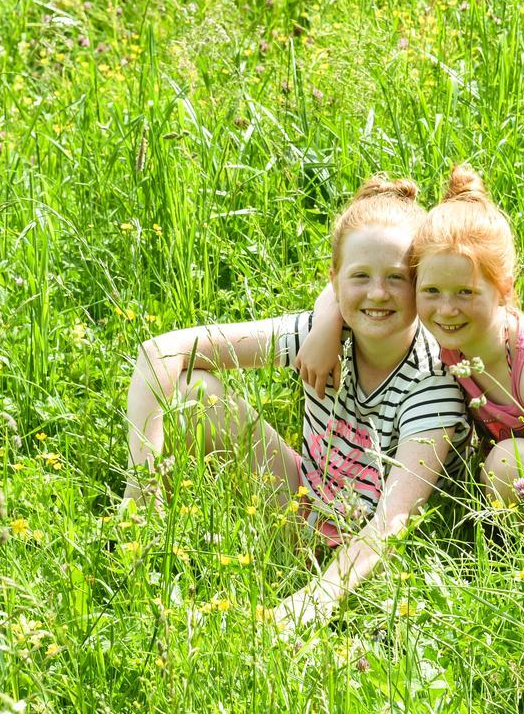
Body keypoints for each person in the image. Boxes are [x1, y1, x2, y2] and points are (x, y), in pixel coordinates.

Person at [122, 175, 468, 631]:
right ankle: (143, 536)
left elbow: (393, 522)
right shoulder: (320, 334)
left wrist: (317, 597)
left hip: (374, 560)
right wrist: (141, 494)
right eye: (360, 276)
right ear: (334, 281)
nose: (378, 293)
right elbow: (158, 352)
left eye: (396, 280)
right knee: (193, 394)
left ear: (421, 283)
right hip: (302, 506)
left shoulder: (433, 383)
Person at [295, 164, 524, 507]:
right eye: (432, 291)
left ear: (503, 289)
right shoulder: (454, 337)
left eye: (465, 293)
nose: (446, 310)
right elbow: (352, 280)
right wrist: (325, 326)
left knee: (511, 463)